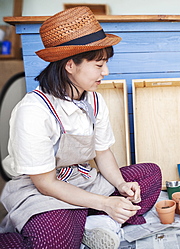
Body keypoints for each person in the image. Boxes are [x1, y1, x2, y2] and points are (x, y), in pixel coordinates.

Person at [0, 7, 162, 249]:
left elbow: (103, 152)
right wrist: (105, 203)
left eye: (105, 63)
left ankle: (86, 222)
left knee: (151, 175)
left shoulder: (94, 100)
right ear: (70, 65)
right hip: (44, 192)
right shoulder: (33, 111)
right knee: (53, 241)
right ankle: (91, 221)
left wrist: (120, 185)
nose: (105, 72)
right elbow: (46, 183)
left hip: (85, 180)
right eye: (98, 65)